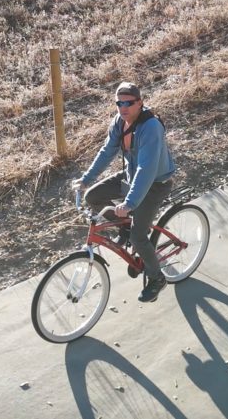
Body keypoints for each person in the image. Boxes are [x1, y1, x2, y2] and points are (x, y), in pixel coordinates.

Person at [73, 82, 176, 303]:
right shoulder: (119, 123)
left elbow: (146, 169)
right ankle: (126, 229)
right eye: (119, 103)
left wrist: (129, 203)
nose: (123, 107)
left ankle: (157, 279)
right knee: (93, 196)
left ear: (140, 103)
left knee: (139, 236)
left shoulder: (151, 127)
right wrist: (86, 180)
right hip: (131, 177)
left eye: (128, 103)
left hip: (155, 183)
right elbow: (106, 152)